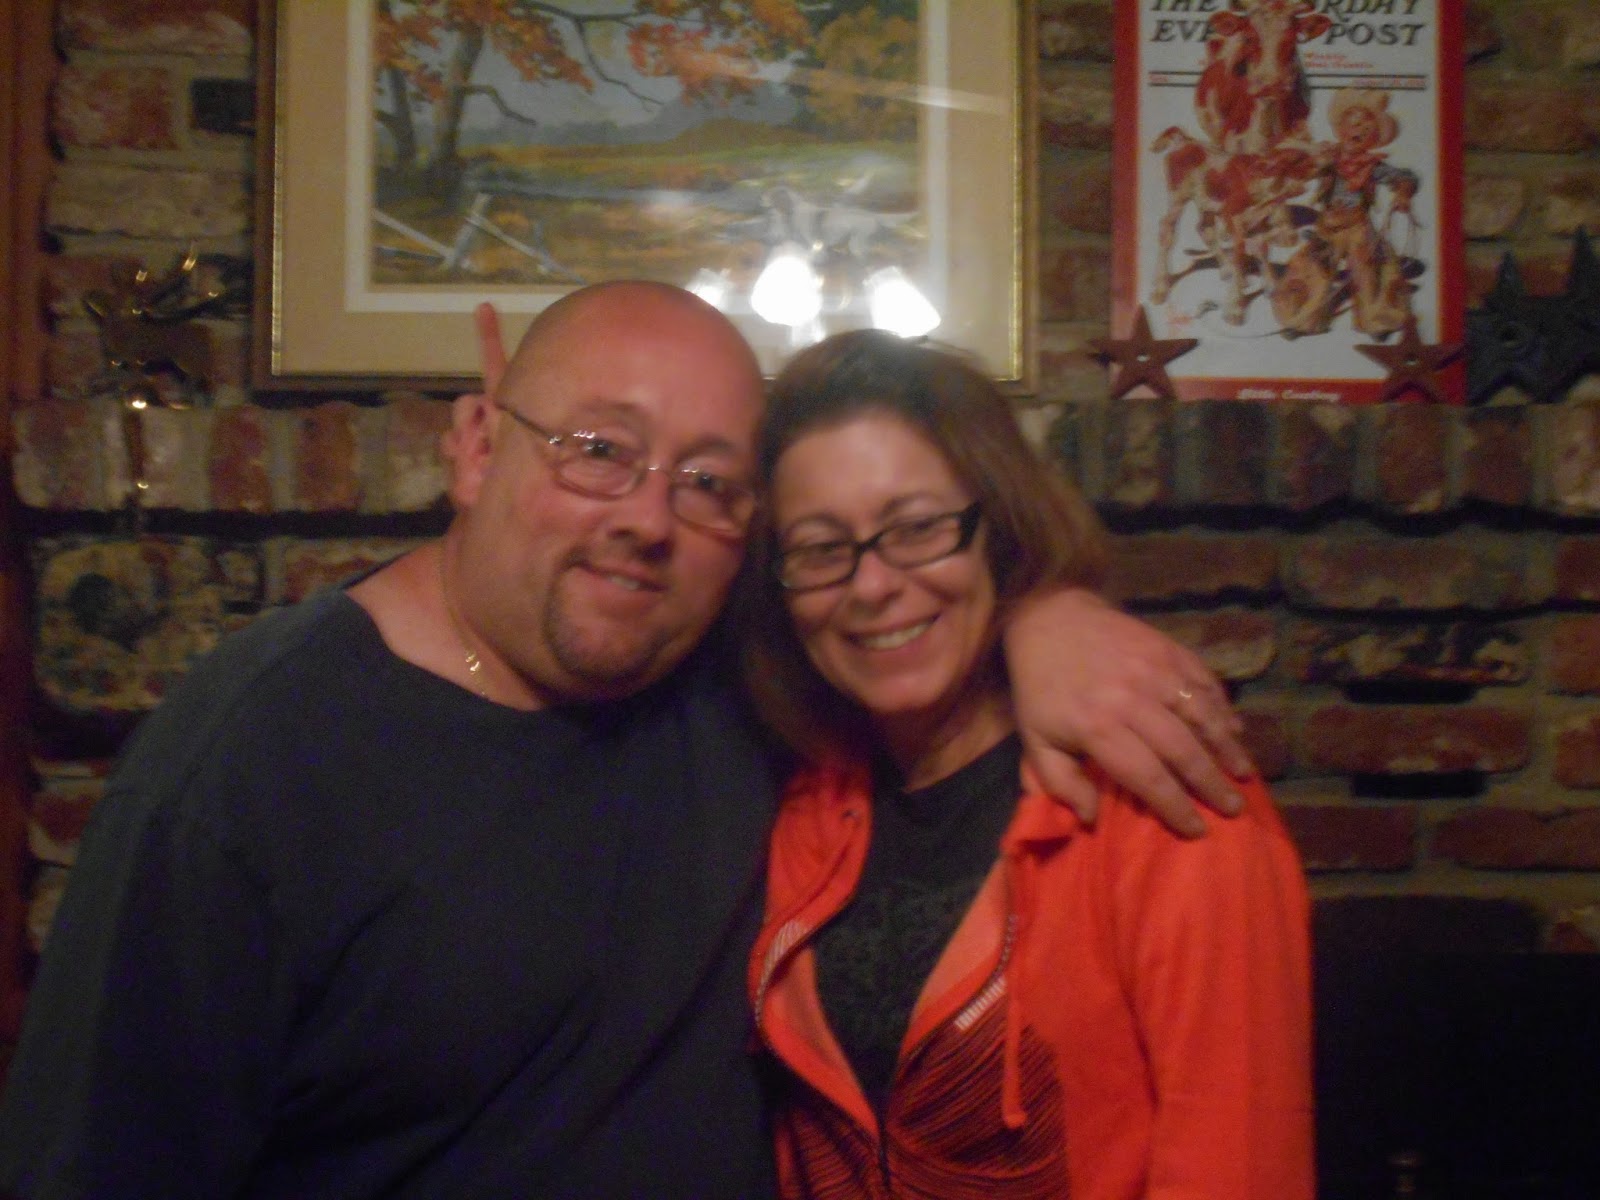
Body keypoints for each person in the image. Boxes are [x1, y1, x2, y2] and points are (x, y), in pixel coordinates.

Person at [0, 283, 1250, 1199]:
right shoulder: (249, 764)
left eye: (707, 483)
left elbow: (895, 597)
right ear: (476, 447)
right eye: (598, 452)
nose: (649, 520)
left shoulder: (740, 683)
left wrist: (1045, 614)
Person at [744, 330, 1312, 1198]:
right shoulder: (808, 803)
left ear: (999, 532)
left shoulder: (1159, 782)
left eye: (919, 528)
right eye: (822, 549)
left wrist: (1049, 608)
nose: (871, 586)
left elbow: (1239, 1165)